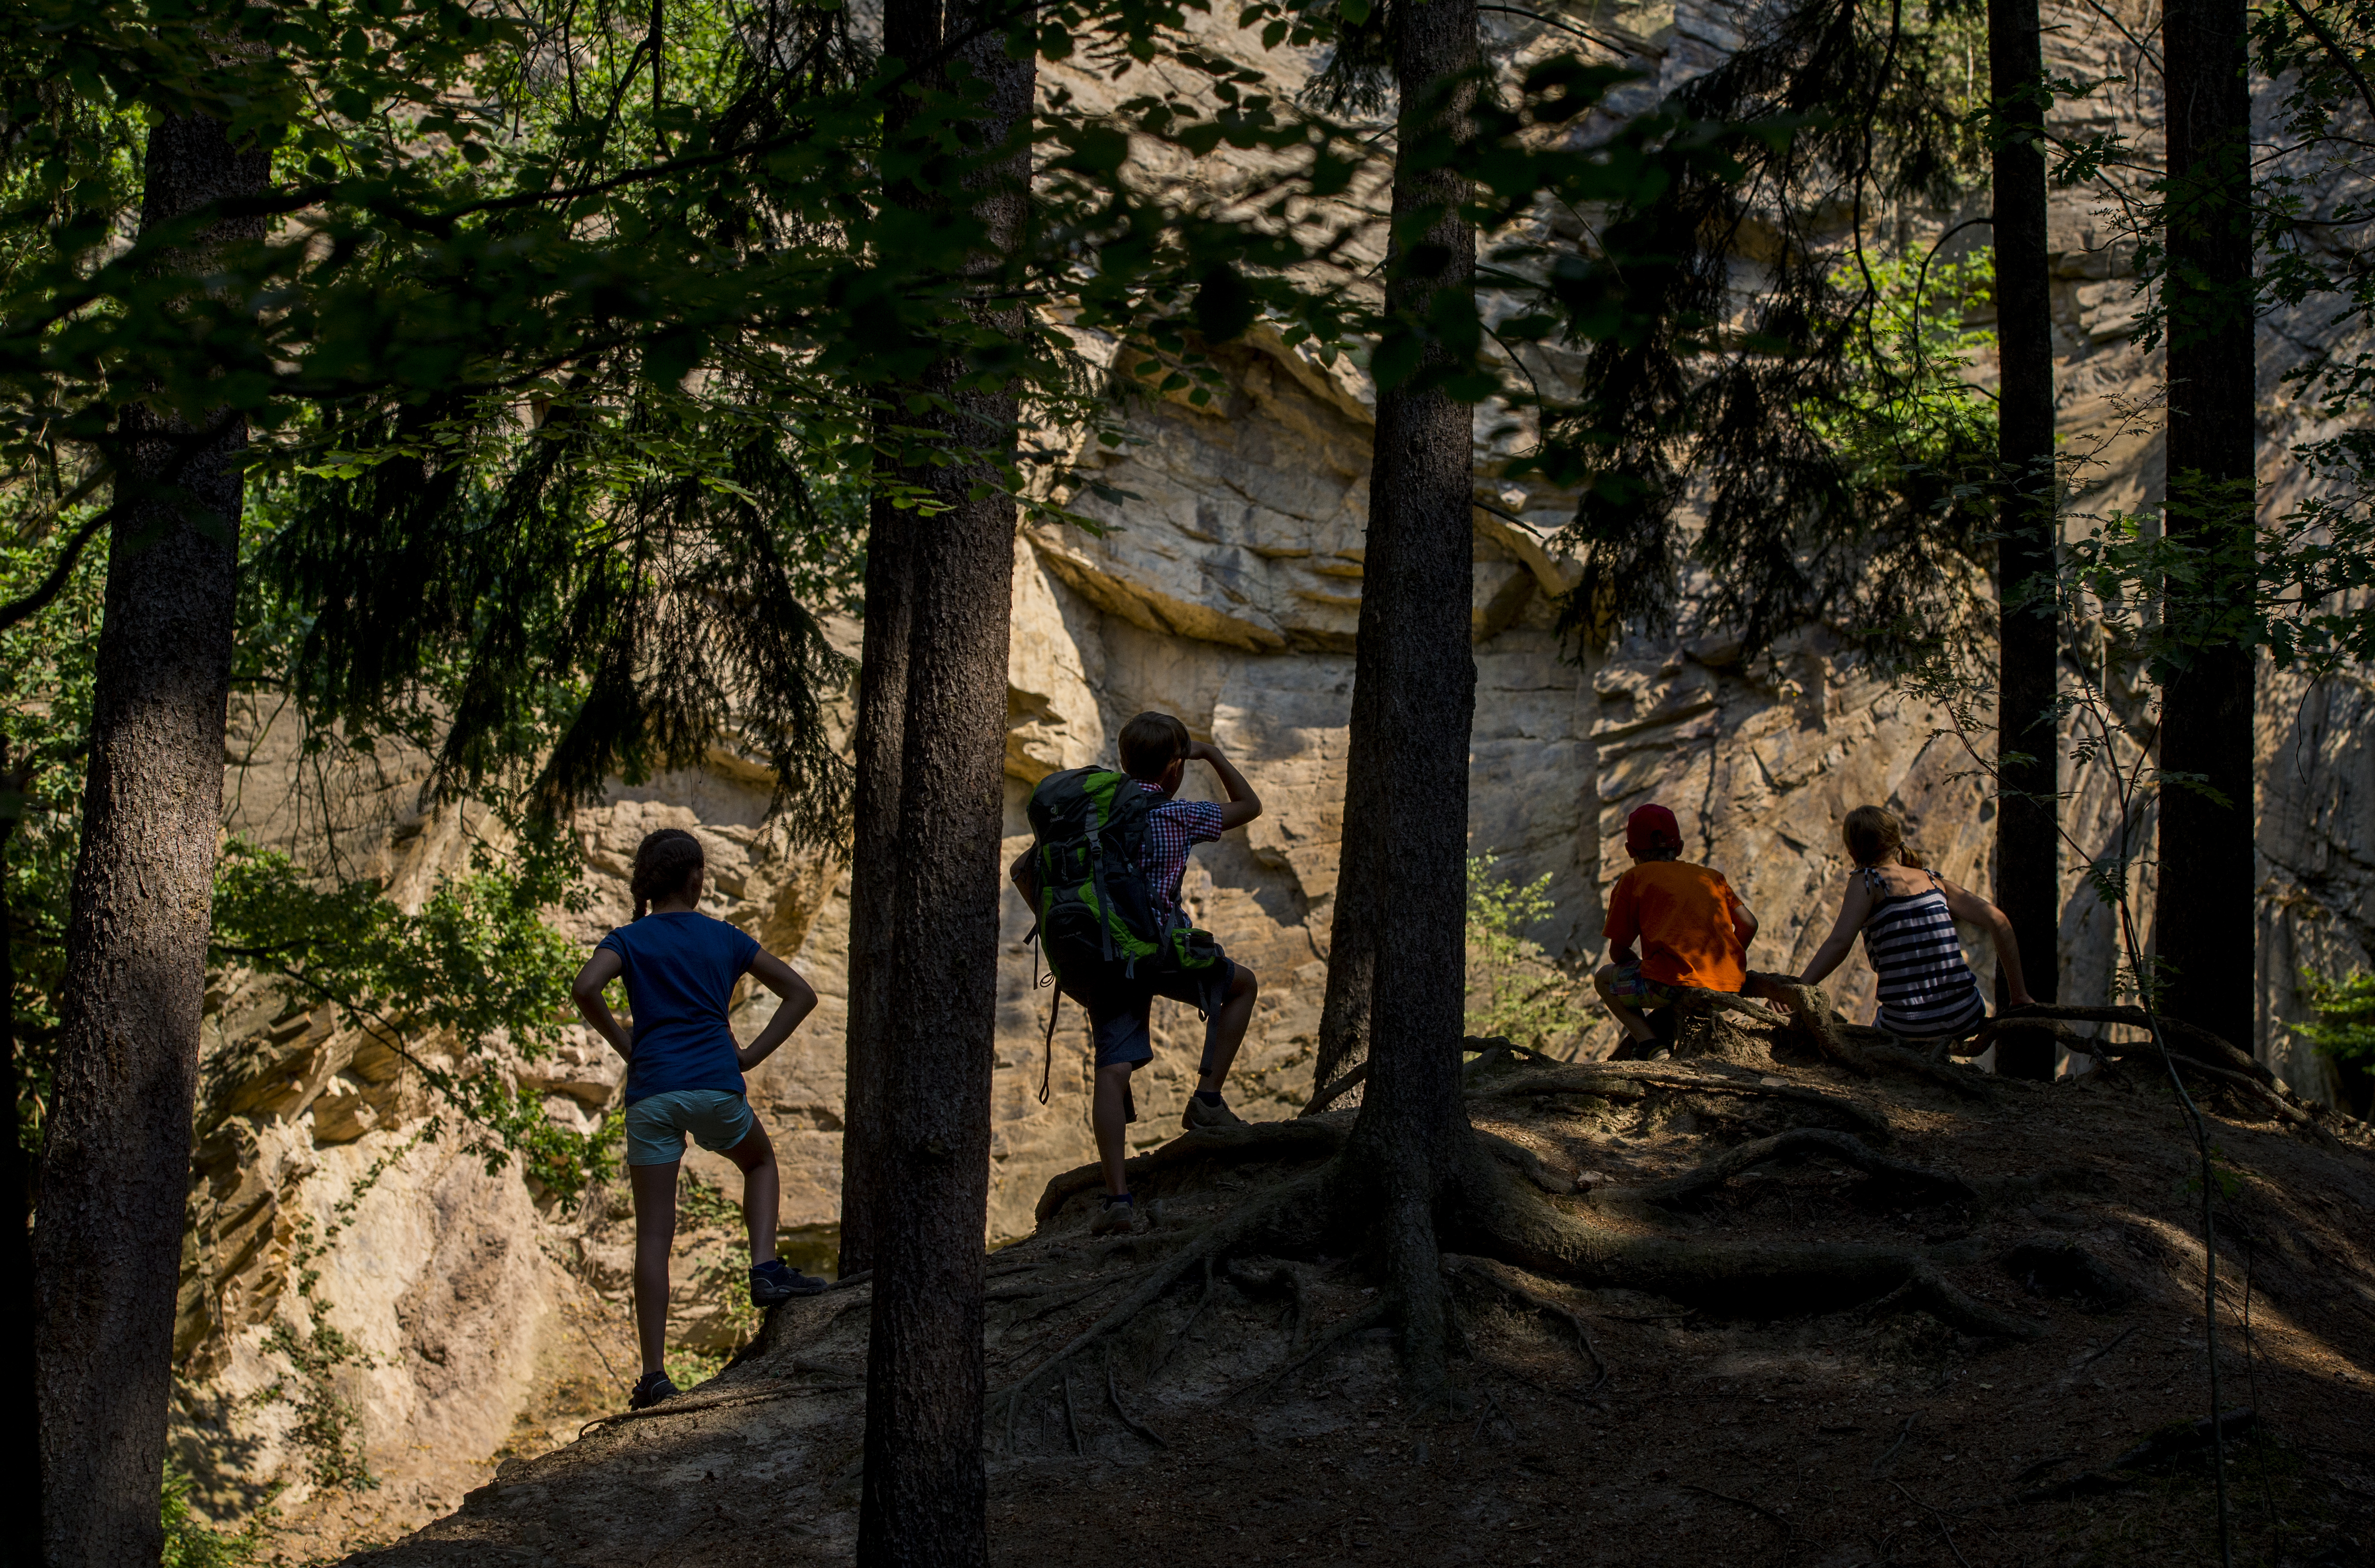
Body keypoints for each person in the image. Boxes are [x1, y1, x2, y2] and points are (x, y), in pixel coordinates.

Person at [571, 827, 827, 1411]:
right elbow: (801, 993)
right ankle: (764, 1266)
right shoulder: (724, 937)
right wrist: (749, 1055)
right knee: (759, 1161)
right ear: (696, 880)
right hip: (715, 1085)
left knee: (654, 1234)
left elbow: (586, 986)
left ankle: (655, 1375)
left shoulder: (629, 939)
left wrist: (624, 1043)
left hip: (652, 1093)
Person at [1010, 712, 1262, 1236]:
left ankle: (1118, 1199)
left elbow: (1022, 872)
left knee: (1112, 1067)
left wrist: (1067, 925)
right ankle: (1208, 1101)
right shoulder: (1177, 816)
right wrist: (1211, 754)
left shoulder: (1088, 817)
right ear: (1175, 768)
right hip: (1157, 951)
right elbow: (1248, 807)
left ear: (1122, 761)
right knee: (1242, 985)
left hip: (1098, 955)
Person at [1792, 804, 2035, 1039]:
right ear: (1896, 841)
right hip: (1966, 1014)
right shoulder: (1933, 881)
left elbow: (1840, 942)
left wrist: (1798, 990)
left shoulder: (1867, 881)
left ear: (1852, 850)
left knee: (1869, 1036)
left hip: (1910, 1025)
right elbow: (1997, 920)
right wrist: (2019, 995)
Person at [1594, 803, 1759, 1053]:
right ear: (1680, 847)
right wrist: (1726, 960)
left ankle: (1650, 1045)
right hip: (1724, 986)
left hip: (1668, 987)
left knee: (1603, 979)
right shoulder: (1712, 877)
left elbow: (1618, 953)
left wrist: (1653, 969)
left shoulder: (1634, 879)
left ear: (1630, 851)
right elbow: (1749, 924)